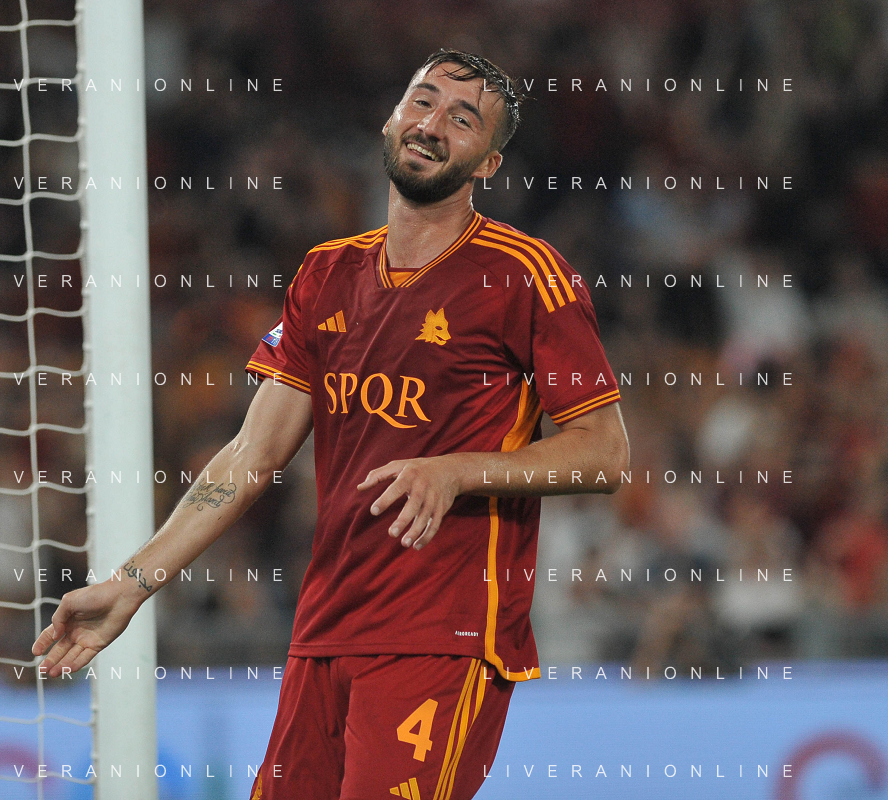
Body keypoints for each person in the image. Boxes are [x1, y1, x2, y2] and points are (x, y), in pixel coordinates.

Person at [33, 49, 630, 800]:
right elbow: (250, 457)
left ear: (488, 163)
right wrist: (131, 584)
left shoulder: (523, 274)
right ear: (390, 119)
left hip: (442, 638)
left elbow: (604, 453)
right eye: (421, 101)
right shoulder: (326, 273)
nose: (432, 124)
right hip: (324, 633)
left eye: (462, 118)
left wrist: (457, 469)